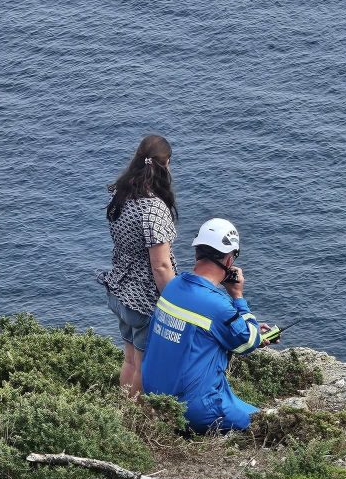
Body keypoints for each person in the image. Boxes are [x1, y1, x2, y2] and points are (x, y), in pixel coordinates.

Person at [142, 218, 272, 433]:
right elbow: (248, 343)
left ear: (197, 253)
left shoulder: (173, 286)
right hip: (196, 409)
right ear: (230, 260)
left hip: (156, 399)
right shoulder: (219, 305)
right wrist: (237, 296)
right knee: (269, 423)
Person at [96, 134, 178, 396]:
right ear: (164, 166)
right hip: (144, 299)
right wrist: (177, 301)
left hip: (120, 291)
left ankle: (125, 411)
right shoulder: (152, 207)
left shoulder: (120, 195)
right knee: (144, 365)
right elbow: (161, 266)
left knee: (130, 359)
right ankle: (137, 419)